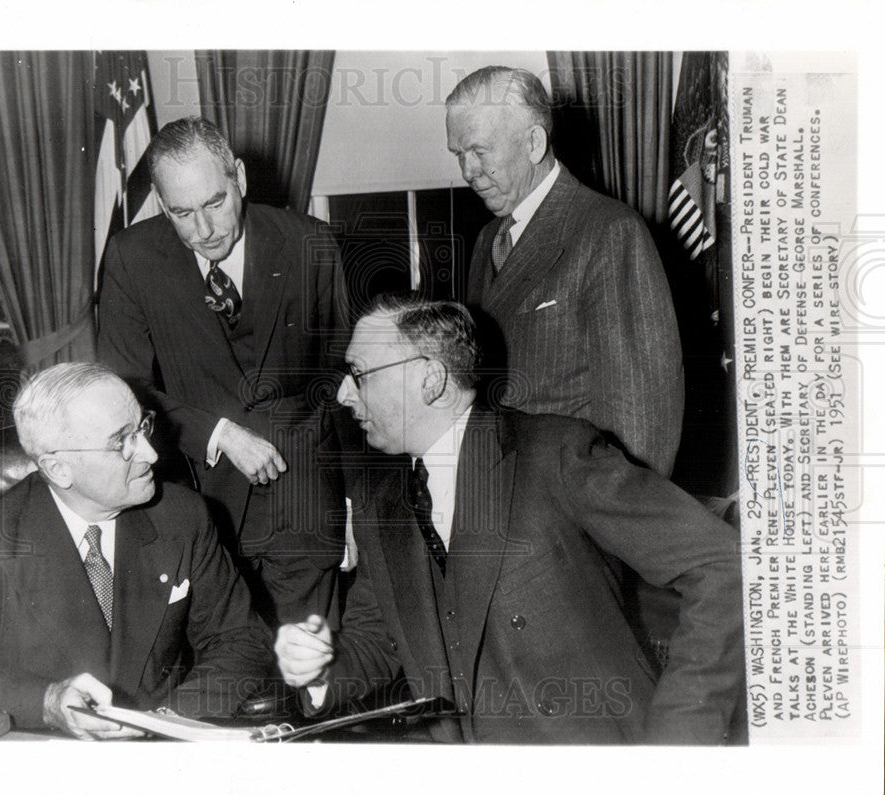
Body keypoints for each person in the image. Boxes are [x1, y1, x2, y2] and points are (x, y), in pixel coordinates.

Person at [274, 294, 744, 744]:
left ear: (431, 379)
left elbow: (723, 567)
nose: (341, 393)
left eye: (358, 373)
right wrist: (316, 667)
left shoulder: (557, 455)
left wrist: (680, 745)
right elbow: (378, 642)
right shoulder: (382, 509)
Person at [98, 117, 349, 627]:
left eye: (215, 203)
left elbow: (351, 383)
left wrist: (360, 509)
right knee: (226, 685)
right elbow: (122, 390)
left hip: (304, 510)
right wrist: (219, 433)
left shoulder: (311, 244)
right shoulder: (132, 258)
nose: (203, 230)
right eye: (181, 213)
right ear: (163, 205)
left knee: (315, 688)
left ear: (239, 176)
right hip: (199, 517)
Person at [0, 363, 272, 739]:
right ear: (59, 469)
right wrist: (45, 702)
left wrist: (168, 721)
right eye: (121, 441)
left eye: (143, 427)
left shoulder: (181, 515)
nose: (150, 454)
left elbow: (242, 639)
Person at [446, 66, 683, 477]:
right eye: (458, 155)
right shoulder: (488, 240)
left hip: (571, 509)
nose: (467, 171)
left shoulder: (609, 231)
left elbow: (642, 426)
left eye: (479, 152)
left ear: (534, 143)